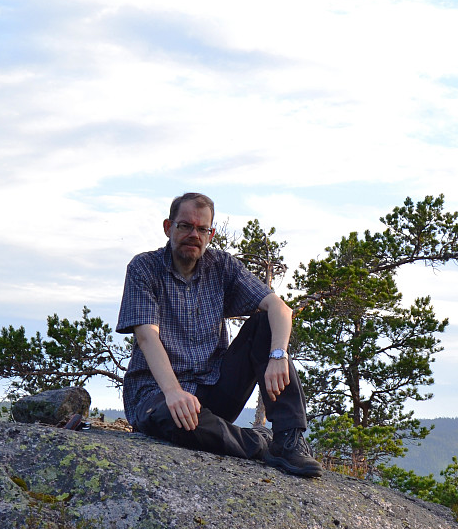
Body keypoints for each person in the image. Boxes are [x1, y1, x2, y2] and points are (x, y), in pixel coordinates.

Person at [117, 192, 322, 478]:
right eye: (185, 226)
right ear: (168, 227)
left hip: (213, 390)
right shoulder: (144, 268)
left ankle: (289, 439)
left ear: (211, 233)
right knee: (171, 418)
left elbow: (279, 308)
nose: (194, 235)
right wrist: (174, 392)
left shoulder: (222, 266)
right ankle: (260, 443)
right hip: (157, 394)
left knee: (264, 324)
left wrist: (278, 354)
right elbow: (147, 336)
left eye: (202, 229)